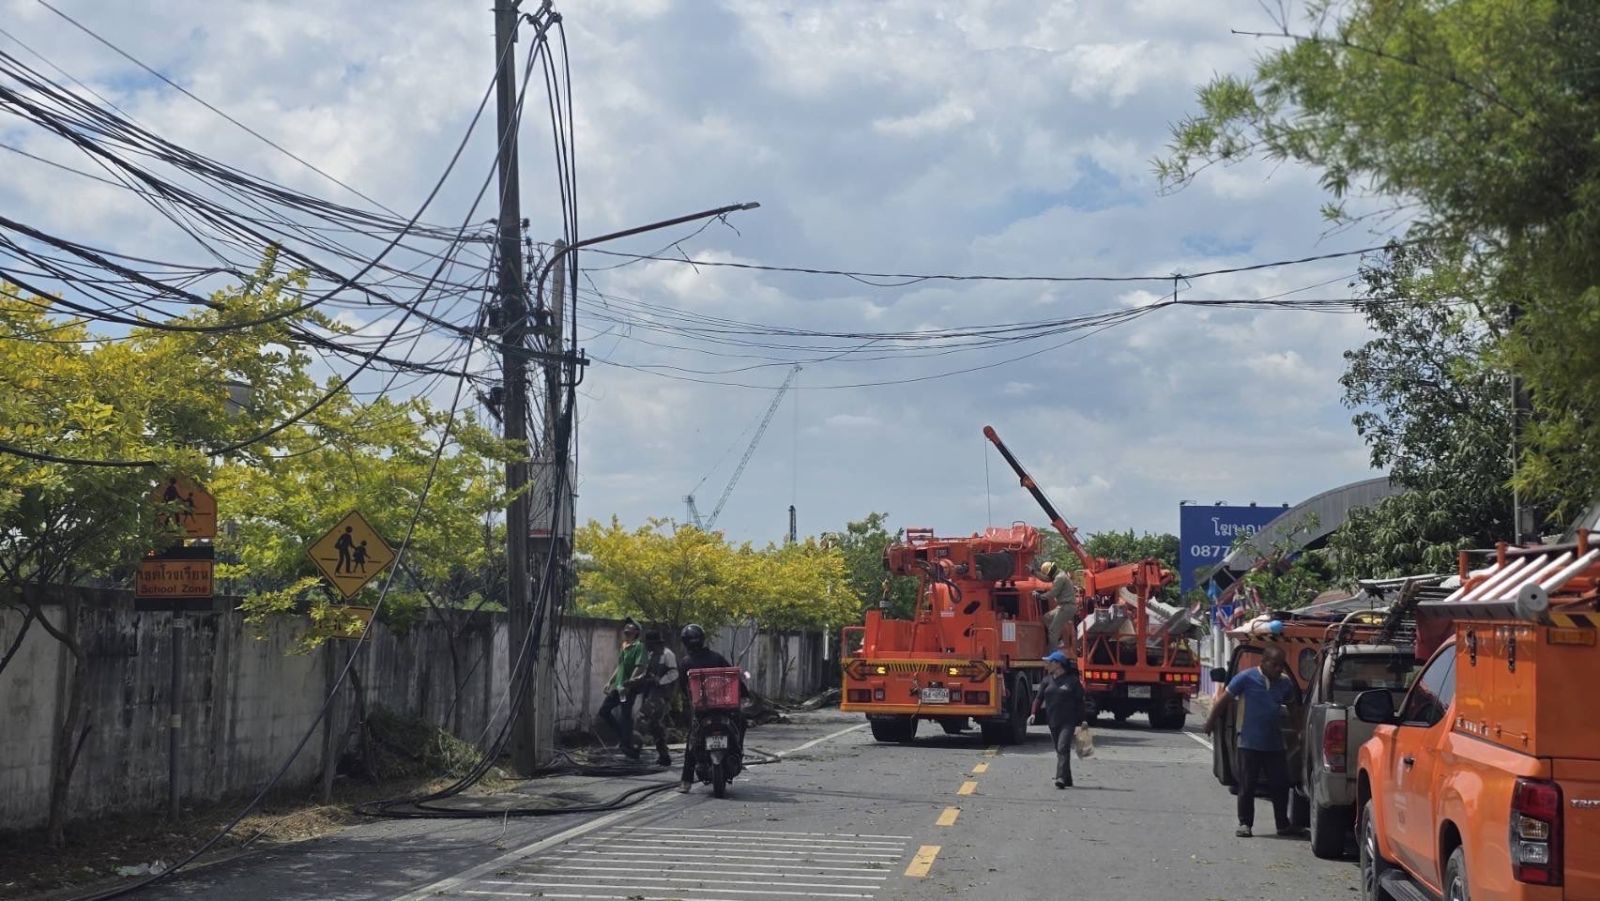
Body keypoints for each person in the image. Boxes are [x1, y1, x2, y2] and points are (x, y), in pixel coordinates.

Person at [1203, 644, 1299, 837]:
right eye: (1274, 665)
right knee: (1247, 785)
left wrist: (1299, 731)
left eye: (1281, 665)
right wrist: (1211, 723)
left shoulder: (1285, 683)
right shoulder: (1246, 678)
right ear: (1263, 662)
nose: (1279, 669)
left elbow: (1293, 708)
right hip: (1248, 743)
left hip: (1274, 744)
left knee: (1280, 786)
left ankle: (1282, 824)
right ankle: (1245, 823)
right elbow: (1223, 701)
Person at [676, 623, 741, 793]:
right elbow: (733, 678)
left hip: (701, 709)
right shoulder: (716, 657)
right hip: (723, 706)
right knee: (741, 722)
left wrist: (690, 699)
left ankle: (686, 781)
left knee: (692, 742)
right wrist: (745, 694)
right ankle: (738, 753)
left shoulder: (685, 662)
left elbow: (683, 686)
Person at [1031, 650, 1086, 788]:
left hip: (1069, 721)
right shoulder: (1047, 680)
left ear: (1058, 664)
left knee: (1062, 747)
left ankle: (1060, 777)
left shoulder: (1072, 681)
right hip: (1052, 720)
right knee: (1060, 750)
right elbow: (1038, 698)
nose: (1047, 665)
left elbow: (1080, 703)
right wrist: (1033, 714)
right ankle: (1068, 778)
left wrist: (1080, 724)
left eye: (1049, 662)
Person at [627, 629, 678, 767]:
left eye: (648, 644)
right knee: (655, 725)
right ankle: (664, 756)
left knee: (641, 717)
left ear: (654, 643)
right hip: (652, 694)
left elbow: (674, 673)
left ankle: (634, 750)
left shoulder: (667, 655)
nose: (646, 646)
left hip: (662, 695)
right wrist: (633, 681)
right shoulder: (651, 655)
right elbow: (646, 674)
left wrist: (660, 680)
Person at [597, 621, 644, 756]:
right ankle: (623, 737)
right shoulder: (624, 646)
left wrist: (630, 683)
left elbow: (639, 666)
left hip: (628, 688)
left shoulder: (639, 647)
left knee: (625, 715)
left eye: (630, 629)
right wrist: (610, 682)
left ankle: (627, 744)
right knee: (604, 711)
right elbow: (620, 666)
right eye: (626, 629)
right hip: (619, 686)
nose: (627, 631)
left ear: (636, 632)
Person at [1034, 561, 1077, 651]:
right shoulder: (1059, 574)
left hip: (1066, 607)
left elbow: (1053, 593)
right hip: (1063, 606)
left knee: (1053, 631)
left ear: (1050, 572)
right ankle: (1059, 638)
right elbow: (1046, 579)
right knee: (1046, 617)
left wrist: (1040, 596)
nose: (1048, 576)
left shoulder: (1059, 578)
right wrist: (1034, 572)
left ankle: (1053, 653)